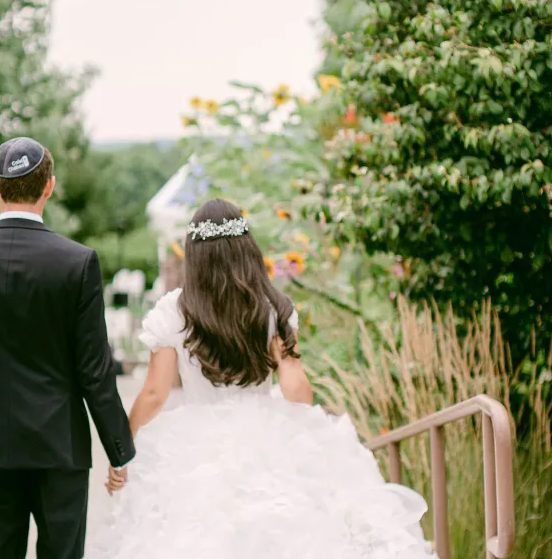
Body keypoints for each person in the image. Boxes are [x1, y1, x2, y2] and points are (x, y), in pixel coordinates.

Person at [86, 198, 433, 558]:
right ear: (246, 249)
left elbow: (155, 394)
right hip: (268, 433)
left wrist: (121, 452)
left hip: (195, 446)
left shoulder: (174, 311)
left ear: (194, 253)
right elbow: (297, 392)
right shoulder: (271, 307)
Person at [0, 137, 135, 559]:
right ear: (50, 187)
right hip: (59, 447)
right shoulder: (77, 263)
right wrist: (118, 450)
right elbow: (95, 369)